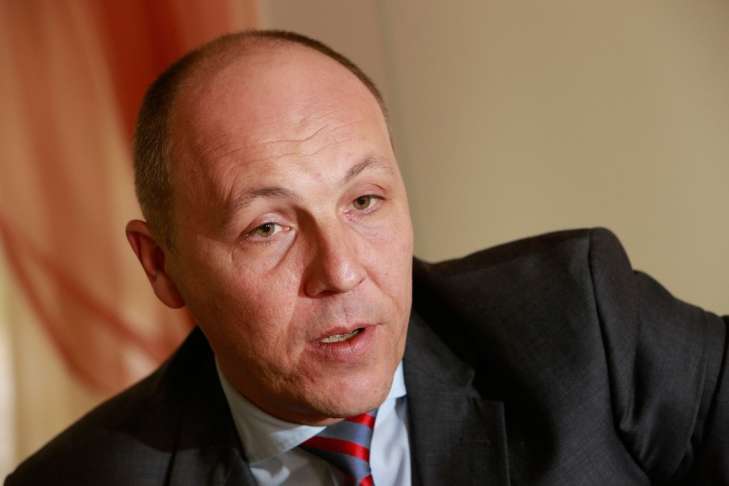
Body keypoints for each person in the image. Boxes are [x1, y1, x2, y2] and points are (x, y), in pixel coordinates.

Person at [5, 30, 728, 486]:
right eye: (267, 228)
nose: (342, 271)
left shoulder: (582, 322)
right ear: (160, 265)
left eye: (364, 201)